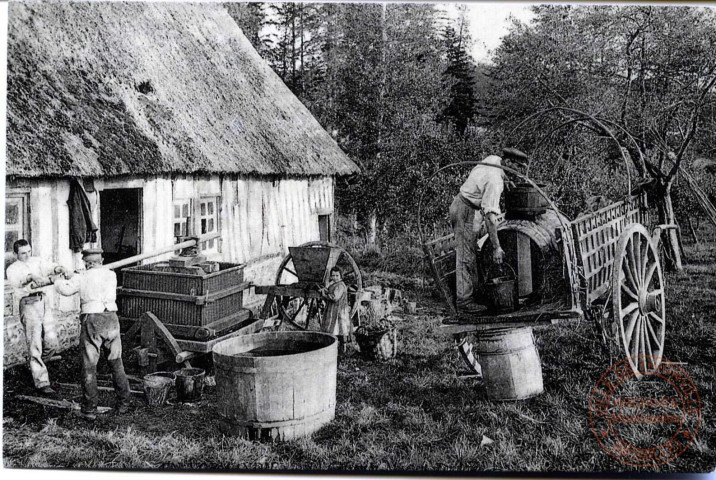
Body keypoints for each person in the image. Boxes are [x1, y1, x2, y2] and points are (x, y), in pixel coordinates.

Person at [55, 248, 131, 420]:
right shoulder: (111, 275)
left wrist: (57, 280)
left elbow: (65, 290)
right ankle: (124, 403)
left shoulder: (82, 277)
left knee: (89, 365)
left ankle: (90, 409)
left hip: (93, 320)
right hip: (111, 318)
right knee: (116, 362)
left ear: (85, 263)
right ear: (101, 260)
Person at [449, 148, 529, 313]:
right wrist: (496, 247)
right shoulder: (494, 182)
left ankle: (475, 292)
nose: (518, 171)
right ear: (507, 162)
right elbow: (490, 218)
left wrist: (506, 180)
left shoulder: (494, 160)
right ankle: (464, 302)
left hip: (469, 207)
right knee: (466, 257)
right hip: (465, 210)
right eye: (516, 167)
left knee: (471, 251)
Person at [5, 239, 66, 394]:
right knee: (35, 343)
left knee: (52, 342)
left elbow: (50, 267)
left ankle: (34, 368)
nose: (27, 255)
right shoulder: (12, 268)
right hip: (29, 303)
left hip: (44, 301)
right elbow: (18, 282)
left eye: (29, 252)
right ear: (15, 254)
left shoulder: (37, 261)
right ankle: (41, 382)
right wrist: (31, 277)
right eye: (23, 253)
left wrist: (58, 268)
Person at [319, 267, 351, 352]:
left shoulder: (340, 285)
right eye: (333, 275)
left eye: (337, 275)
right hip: (332, 308)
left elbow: (335, 297)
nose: (335, 277)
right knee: (332, 326)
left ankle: (342, 348)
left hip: (339, 309)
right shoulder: (333, 283)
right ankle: (333, 347)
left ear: (341, 276)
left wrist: (324, 294)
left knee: (340, 327)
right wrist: (324, 290)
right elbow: (328, 289)